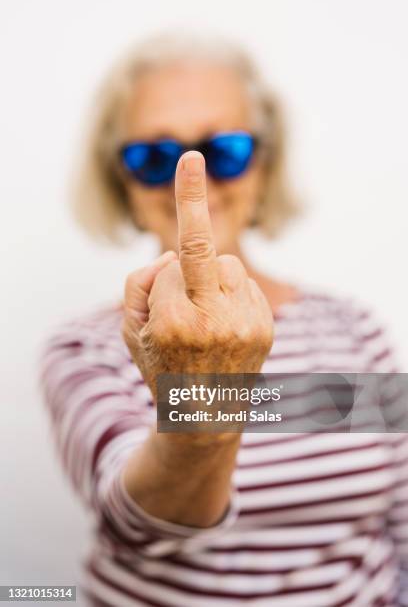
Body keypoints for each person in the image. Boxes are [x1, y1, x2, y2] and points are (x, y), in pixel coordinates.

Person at [39, 32, 408, 606]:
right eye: (155, 159)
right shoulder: (85, 348)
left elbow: (402, 523)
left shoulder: (353, 330)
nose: (197, 181)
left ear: (264, 167)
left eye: (226, 150)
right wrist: (205, 399)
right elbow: (137, 526)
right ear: (123, 183)